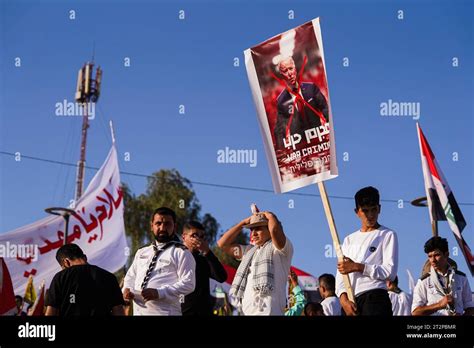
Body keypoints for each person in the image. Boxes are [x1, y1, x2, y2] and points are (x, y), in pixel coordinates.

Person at [335, 186, 398, 316]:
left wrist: (357, 267)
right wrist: (343, 300)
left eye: (374, 210)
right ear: (357, 212)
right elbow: (341, 273)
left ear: (379, 208)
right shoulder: (349, 240)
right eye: (365, 211)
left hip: (375, 299)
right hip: (351, 302)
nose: (370, 215)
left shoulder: (387, 234)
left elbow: (389, 272)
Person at [217, 210, 293, 315]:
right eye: (251, 229)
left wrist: (269, 215)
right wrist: (243, 223)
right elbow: (222, 244)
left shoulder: (281, 249)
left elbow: (275, 230)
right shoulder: (248, 251)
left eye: (258, 229)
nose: (253, 233)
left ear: (269, 229)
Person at [123, 207, 196, 315]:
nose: (162, 228)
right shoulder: (142, 252)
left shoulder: (181, 252)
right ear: (152, 226)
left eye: (167, 224)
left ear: (174, 227)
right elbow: (130, 277)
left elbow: (189, 284)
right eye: (158, 223)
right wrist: (126, 290)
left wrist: (159, 292)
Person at [45, 243, 124, 316]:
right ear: (85, 257)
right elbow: (118, 311)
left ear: (66, 262)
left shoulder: (60, 277)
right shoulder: (109, 277)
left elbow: (51, 312)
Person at [274, 56, 329, 150]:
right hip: (301, 148)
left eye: (291, 68)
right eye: (285, 71)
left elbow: (326, 109)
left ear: (295, 68)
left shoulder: (311, 89)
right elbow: (279, 131)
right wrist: (282, 152)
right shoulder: (281, 101)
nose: (290, 73)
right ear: (281, 74)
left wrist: (330, 128)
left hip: (320, 142)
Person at [412, 236, 474, 316]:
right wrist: (439, 305)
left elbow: (470, 307)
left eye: (436, 255)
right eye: (430, 256)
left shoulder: (461, 278)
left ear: (446, 254)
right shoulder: (424, 281)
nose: (433, 260)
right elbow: (415, 312)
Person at [181, 220, 227, 316]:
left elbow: (221, 277)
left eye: (201, 236)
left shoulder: (204, 260)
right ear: (184, 237)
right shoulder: (176, 257)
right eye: (194, 235)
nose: (198, 239)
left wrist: (207, 252)